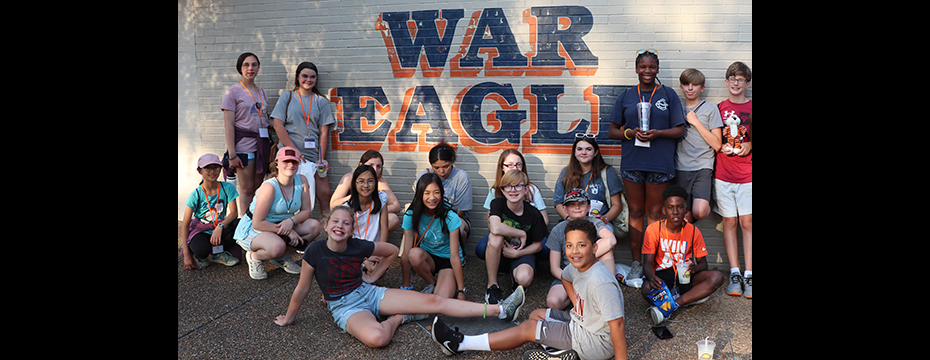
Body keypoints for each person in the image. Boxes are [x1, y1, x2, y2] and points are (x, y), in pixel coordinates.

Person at [274, 205, 526, 349]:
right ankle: (398, 318)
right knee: (378, 338)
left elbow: (393, 251)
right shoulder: (315, 250)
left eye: (347, 223)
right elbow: (302, 289)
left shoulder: (359, 246)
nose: (340, 226)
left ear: (352, 229)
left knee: (435, 303)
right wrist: (289, 317)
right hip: (345, 306)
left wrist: (371, 278)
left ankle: (500, 310)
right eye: (335, 222)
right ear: (326, 225)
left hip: (370, 293)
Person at [431, 219, 627, 360]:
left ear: (594, 248)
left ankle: (460, 343)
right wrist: (577, 305)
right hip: (582, 325)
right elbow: (566, 278)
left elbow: (617, 325)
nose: (574, 251)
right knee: (536, 314)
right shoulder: (577, 266)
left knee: (528, 328)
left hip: (597, 343)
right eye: (569, 245)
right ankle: (558, 354)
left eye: (581, 245)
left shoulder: (601, 281)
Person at [607, 49, 685, 282]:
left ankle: (653, 262)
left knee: (653, 213)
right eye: (643, 67)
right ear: (636, 69)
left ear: (657, 69)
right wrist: (631, 133)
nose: (647, 71)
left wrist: (658, 133)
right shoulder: (627, 95)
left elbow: (680, 129)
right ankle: (636, 263)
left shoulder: (668, 95)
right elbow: (612, 131)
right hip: (633, 161)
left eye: (652, 67)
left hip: (660, 163)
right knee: (636, 212)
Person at [233, 147, 322, 280]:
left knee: (314, 226)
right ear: (277, 163)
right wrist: (289, 231)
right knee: (277, 246)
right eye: (286, 161)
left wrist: (290, 222)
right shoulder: (269, 187)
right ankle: (254, 257)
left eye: (294, 162)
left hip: (281, 225)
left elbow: (306, 211)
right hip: (255, 228)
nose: (291, 165)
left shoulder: (302, 180)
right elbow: (258, 223)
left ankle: (281, 257)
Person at [640, 185, 725, 324]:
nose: (675, 212)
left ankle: (673, 305)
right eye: (670, 207)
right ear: (664, 210)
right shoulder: (653, 229)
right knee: (646, 289)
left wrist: (694, 268)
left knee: (717, 277)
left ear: (686, 210)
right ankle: (689, 298)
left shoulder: (693, 231)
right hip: (663, 277)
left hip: (685, 276)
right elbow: (648, 263)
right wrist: (652, 277)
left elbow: (704, 264)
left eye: (680, 207)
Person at [271, 61, 336, 220]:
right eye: (305, 76)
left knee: (324, 193)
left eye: (312, 77)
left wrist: (321, 158)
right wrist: (294, 150)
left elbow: (323, 132)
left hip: (313, 157)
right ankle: (291, 232)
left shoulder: (321, 101)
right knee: (290, 195)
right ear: (297, 77)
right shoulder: (288, 96)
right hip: (290, 156)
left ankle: (327, 230)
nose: (308, 80)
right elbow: (277, 125)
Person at [478, 170, 547, 305]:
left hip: (521, 252)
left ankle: (516, 275)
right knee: (495, 237)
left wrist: (518, 253)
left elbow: (538, 245)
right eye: (508, 186)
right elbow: (495, 227)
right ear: (503, 190)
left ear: (526, 189)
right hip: (500, 250)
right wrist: (521, 233)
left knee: (524, 279)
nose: (513, 190)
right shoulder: (498, 203)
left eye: (518, 186)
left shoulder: (534, 213)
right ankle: (492, 286)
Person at [716, 61, 752, 299]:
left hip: (747, 174)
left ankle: (749, 274)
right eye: (733, 79)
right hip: (724, 175)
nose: (736, 83)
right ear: (727, 82)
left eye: (741, 80)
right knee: (729, 223)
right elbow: (714, 138)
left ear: (747, 83)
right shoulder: (719, 107)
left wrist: (749, 143)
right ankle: (735, 273)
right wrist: (720, 146)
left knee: (747, 222)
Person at [545, 189, 616, 310]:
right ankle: (580, 299)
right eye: (572, 204)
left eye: (581, 204)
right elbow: (555, 268)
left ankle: (609, 288)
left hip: (593, 272)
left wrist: (587, 257)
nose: (577, 207)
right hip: (568, 274)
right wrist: (573, 279)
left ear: (588, 207)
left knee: (606, 250)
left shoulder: (594, 223)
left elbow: (611, 240)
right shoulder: (558, 230)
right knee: (553, 302)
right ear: (565, 209)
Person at [400, 173, 466, 299]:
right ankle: (432, 283)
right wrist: (406, 287)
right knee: (413, 254)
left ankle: (441, 286)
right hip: (428, 256)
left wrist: (461, 290)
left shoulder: (450, 216)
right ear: (420, 194)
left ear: (441, 193)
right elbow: (405, 254)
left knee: (441, 299)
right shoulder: (411, 215)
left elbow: (455, 256)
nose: (432, 197)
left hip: (447, 260)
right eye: (427, 193)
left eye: (436, 192)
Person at [222, 52, 273, 216]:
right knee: (246, 188)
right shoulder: (233, 92)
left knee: (258, 187)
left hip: (261, 145)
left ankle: (255, 220)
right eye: (246, 65)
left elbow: (264, 118)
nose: (250, 68)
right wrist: (232, 154)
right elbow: (229, 125)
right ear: (240, 68)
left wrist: (283, 125)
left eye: (254, 64)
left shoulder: (262, 92)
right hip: (243, 147)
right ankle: (244, 224)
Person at [676, 68, 723, 223]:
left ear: (702, 88)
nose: (690, 88)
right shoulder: (676, 107)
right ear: (681, 87)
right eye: (686, 84)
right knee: (684, 217)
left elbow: (717, 144)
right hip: (680, 167)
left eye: (695, 85)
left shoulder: (711, 108)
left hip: (703, 166)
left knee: (700, 211)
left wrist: (695, 122)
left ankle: (711, 203)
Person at [180, 154, 241, 270]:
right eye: (208, 168)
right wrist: (187, 255)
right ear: (200, 171)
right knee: (201, 250)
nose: (212, 171)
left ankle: (217, 254)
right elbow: (185, 224)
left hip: (219, 228)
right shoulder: (196, 195)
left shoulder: (227, 187)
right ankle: (202, 255)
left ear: (220, 169)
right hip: (202, 230)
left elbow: (234, 213)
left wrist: (220, 226)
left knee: (240, 224)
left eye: (216, 167)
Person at [415, 140, 473, 255]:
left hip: (454, 217)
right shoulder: (424, 176)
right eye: (436, 168)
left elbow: (461, 211)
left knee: (459, 227)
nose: (441, 171)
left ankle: (458, 255)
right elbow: (418, 203)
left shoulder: (461, 177)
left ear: (452, 161)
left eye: (446, 166)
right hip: (428, 217)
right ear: (431, 165)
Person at [331, 150, 402, 233]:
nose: (375, 169)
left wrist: (372, 211)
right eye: (371, 165)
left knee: (393, 219)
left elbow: (396, 206)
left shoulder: (380, 182)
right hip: (352, 215)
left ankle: (376, 240)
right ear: (361, 165)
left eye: (378, 166)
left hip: (371, 217)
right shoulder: (349, 178)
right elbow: (333, 205)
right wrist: (354, 196)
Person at [343, 164, 392, 282]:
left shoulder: (381, 199)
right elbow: (346, 239)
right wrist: (364, 258)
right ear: (354, 183)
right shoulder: (347, 207)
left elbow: (384, 228)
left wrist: (380, 252)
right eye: (361, 181)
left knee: (378, 270)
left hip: (374, 249)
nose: (366, 185)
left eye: (370, 181)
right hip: (354, 251)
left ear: (375, 183)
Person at [484, 149, 549, 226]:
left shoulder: (532, 189)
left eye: (518, 164)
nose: (515, 168)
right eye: (510, 165)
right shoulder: (495, 191)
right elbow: (490, 224)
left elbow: (545, 220)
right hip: (502, 235)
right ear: (502, 167)